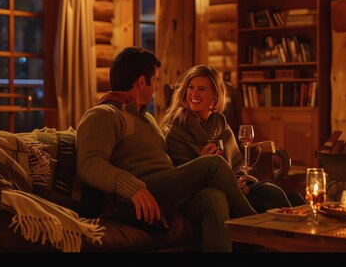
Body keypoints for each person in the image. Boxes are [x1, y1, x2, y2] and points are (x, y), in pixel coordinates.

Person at [76, 47, 256, 252]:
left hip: (169, 189)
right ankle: (255, 224)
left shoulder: (147, 118)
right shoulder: (103, 114)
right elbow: (89, 163)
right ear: (141, 82)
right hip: (146, 187)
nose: (157, 87)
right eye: (155, 80)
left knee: (214, 198)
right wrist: (132, 188)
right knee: (213, 164)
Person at [159, 65, 292, 213]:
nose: (194, 94)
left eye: (201, 89)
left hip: (236, 187)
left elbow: (238, 166)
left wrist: (241, 182)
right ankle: (252, 221)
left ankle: (294, 229)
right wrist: (204, 163)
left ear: (215, 96)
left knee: (274, 193)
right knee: (266, 205)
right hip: (202, 191)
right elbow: (181, 178)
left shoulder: (221, 124)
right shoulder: (175, 129)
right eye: (191, 87)